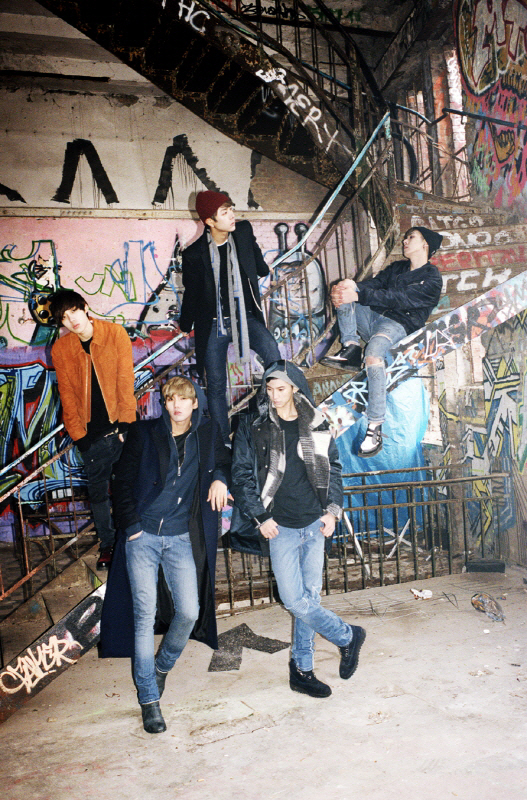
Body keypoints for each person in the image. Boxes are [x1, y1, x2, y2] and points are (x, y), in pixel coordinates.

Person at [101, 376, 230, 734]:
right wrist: (131, 525)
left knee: (189, 611)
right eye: (171, 399)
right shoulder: (144, 433)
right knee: (144, 615)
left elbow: (225, 459)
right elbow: (121, 481)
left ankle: (161, 666)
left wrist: (220, 478)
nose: (177, 405)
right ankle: (148, 699)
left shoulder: (206, 432)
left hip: (179, 537)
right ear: (165, 402)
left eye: (184, 399)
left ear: (195, 403)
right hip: (142, 536)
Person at [230, 360, 366, 698]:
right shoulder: (253, 424)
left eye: (280, 389)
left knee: (309, 599)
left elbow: (333, 468)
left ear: (294, 388)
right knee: (294, 599)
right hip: (280, 526)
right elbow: (242, 475)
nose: (273, 396)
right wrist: (261, 517)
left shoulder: (316, 422)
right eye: (269, 389)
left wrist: (332, 511)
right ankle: (347, 636)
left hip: (314, 523)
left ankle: (302, 670)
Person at [321, 227, 443, 457]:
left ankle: (375, 427)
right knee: (344, 289)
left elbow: (400, 299)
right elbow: (375, 284)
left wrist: (359, 295)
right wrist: (352, 287)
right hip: (373, 317)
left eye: (411, 237)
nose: (405, 240)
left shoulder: (432, 278)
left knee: (373, 355)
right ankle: (351, 347)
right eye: (406, 237)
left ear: (425, 244)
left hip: (398, 324)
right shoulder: (397, 268)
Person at [179, 191, 281, 444]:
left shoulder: (243, 232)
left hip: (245, 316)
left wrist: (262, 266)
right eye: (225, 213)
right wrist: (185, 324)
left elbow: (258, 266)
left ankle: (272, 417)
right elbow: (192, 293)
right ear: (210, 221)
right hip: (214, 324)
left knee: (273, 354)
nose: (232, 215)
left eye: (231, 209)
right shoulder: (194, 254)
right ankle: (222, 441)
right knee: (215, 384)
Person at [50, 289, 136, 570]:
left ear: (85, 307)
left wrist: (126, 423)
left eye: (74, 311)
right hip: (91, 436)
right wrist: (80, 437)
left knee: (127, 489)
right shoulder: (61, 349)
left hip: (120, 430)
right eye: (64, 317)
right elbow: (67, 396)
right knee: (98, 495)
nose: (71, 320)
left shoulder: (114, 334)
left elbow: (125, 380)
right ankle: (108, 545)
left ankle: (132, 541)